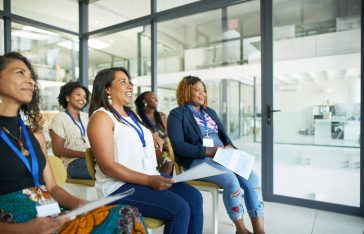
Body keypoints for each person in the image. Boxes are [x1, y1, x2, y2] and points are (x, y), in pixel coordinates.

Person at [0, 52, 147, 234]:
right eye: (20, 73)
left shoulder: (34, 135)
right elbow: (60, 149)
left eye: (31, 76)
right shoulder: (62, 119)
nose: (30, 81)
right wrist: (23, 230)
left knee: (127, 214)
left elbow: (52, 187)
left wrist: (81, 204)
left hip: (50, 213)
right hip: (15, 222)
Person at [87, 67, 204, 234]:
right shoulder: (101, 117)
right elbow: (108, 166)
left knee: (194, 197)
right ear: (107, 88)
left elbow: (134, 136)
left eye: (129, 82)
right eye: (123, 82)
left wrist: (151, 134)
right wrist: (149, 180)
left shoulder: (131, 115)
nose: (130, 86)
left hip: (146, 174)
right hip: (118, 186)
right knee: (180, 208)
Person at [167, 75, 265, 234]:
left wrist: (230, 147)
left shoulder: (209, 112)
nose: (202, 94)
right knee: (230, 180)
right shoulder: (177, 114)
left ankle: (260, 230)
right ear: (185, 92)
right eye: (197, 90)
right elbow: (178, 146)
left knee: (253, 179)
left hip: (222, 155)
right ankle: (241, 230)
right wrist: (210, 151)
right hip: (198, 159)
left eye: (203, 90)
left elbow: (223, 136)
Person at [49, 81, 92, 179]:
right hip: (72, 163)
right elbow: (57, 150)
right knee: (104, 170)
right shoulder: (59, 118)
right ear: (67, 97)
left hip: (91, 160)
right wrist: (85, 155)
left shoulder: (87, 117)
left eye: (85, 97)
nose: (82, 99)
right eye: (78, 95)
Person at [135, 91, 173, 175]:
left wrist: (164, 141)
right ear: (144, 101)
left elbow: (168, 134)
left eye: (156, 97)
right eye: (153, 97)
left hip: (166, 147)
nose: (156, 100)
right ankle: (162, 184)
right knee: (167, 161)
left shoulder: (162, 116)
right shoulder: (138, 118)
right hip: (150, 150)